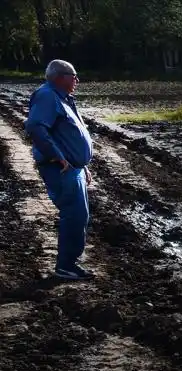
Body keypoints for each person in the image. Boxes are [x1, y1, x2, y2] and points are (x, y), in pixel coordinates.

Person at [24, 59, 95, 281]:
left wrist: (83, 165)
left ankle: (69, 263)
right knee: (74, 215)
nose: (77, 80)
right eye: (74, 76)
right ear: (60, 77)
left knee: (79, 215)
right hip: (61, 169)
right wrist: (58, 157)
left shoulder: (62, 98)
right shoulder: (47, 96)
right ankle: (66, 266)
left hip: (74, 168)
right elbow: (35, 126)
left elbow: (67, 134)